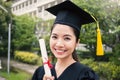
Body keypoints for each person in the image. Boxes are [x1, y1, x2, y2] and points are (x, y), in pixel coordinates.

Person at [32, 0, 99, 80]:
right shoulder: (40, 72)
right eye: (55, 37)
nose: (59, 44)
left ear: (77, 42)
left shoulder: (86, 75)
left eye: (67, 38)